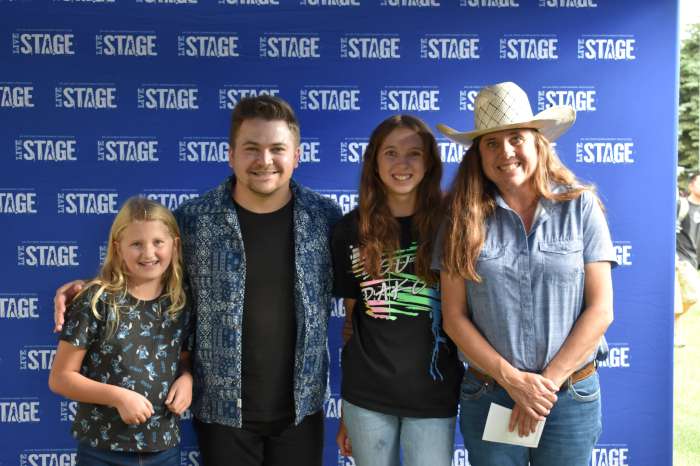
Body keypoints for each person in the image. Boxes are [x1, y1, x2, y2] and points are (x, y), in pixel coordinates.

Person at [54, 95, 343, 466]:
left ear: (297, 155)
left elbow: (362, 291)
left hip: (302, 409)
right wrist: (87, 289)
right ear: (231, 155)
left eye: (277, 149)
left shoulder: (325, 218)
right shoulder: (194, 220)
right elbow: (148, 274)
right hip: (221, 411)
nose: (264, 160)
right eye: (251, 148)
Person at [434, 82, 616, 466]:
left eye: (516, 138)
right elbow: (454, 317)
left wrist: (540, 389)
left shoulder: (581, 206)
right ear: (478, 155)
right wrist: (515, 382)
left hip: (568, 396)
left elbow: (601, 310)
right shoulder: (459, 220)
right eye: (491, 143)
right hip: (492, 395)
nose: (506, 151)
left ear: (538, 143)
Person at [331, 115, 463, 466]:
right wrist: (346, 409)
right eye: (390, 152)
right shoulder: (349, 230)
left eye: (413, 153)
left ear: (429, 162)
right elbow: (352, 321)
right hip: (366, 397)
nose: (401, 164)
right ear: (374, 162)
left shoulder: (452, 226)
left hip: (433, 393)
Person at [48, 197, 191, 466]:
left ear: (175, 245)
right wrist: (118, 397)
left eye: (158, 242)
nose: (148, 253)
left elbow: (183, 357)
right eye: (136, 244)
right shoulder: (96, 300)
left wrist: (187, 378)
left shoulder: (180, 302)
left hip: (164, 449)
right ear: (117, 247)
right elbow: (61, 378)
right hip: (102, 451)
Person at [675, 173, 700, 346]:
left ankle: (673, 328)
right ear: (691, 185)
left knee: (687, 298)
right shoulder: (681, 205)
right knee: (691, 295)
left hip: (693, 259)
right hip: (681, 258)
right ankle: (674, 331)